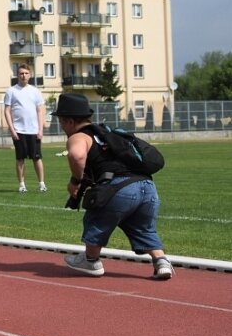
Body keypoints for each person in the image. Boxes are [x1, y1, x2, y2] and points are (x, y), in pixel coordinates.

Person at [53, 93, 174, 279]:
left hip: (118, 188)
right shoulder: (106, 133)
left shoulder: (79, 136)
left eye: (61, 122)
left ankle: (91, 261)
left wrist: (75, 181)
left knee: (97, 218)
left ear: (69, 121)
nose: (61, 126)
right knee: (142, 227)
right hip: (147, 186)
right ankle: (161, 261)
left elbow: (76, 155)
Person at [3, 64, 47, 192]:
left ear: (30, 75)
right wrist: (12, 129)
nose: (24, 75)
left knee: (37, 157)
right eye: (21, 73)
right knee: (20, 158)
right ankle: (22, 185)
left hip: (33, 131)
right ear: (18, 75)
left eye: (26, 73)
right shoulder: (11, 91)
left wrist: (40, 129)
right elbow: (7, 111)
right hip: (19, 130)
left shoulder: (35, 91)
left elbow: (40, 111)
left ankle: (41, 183)